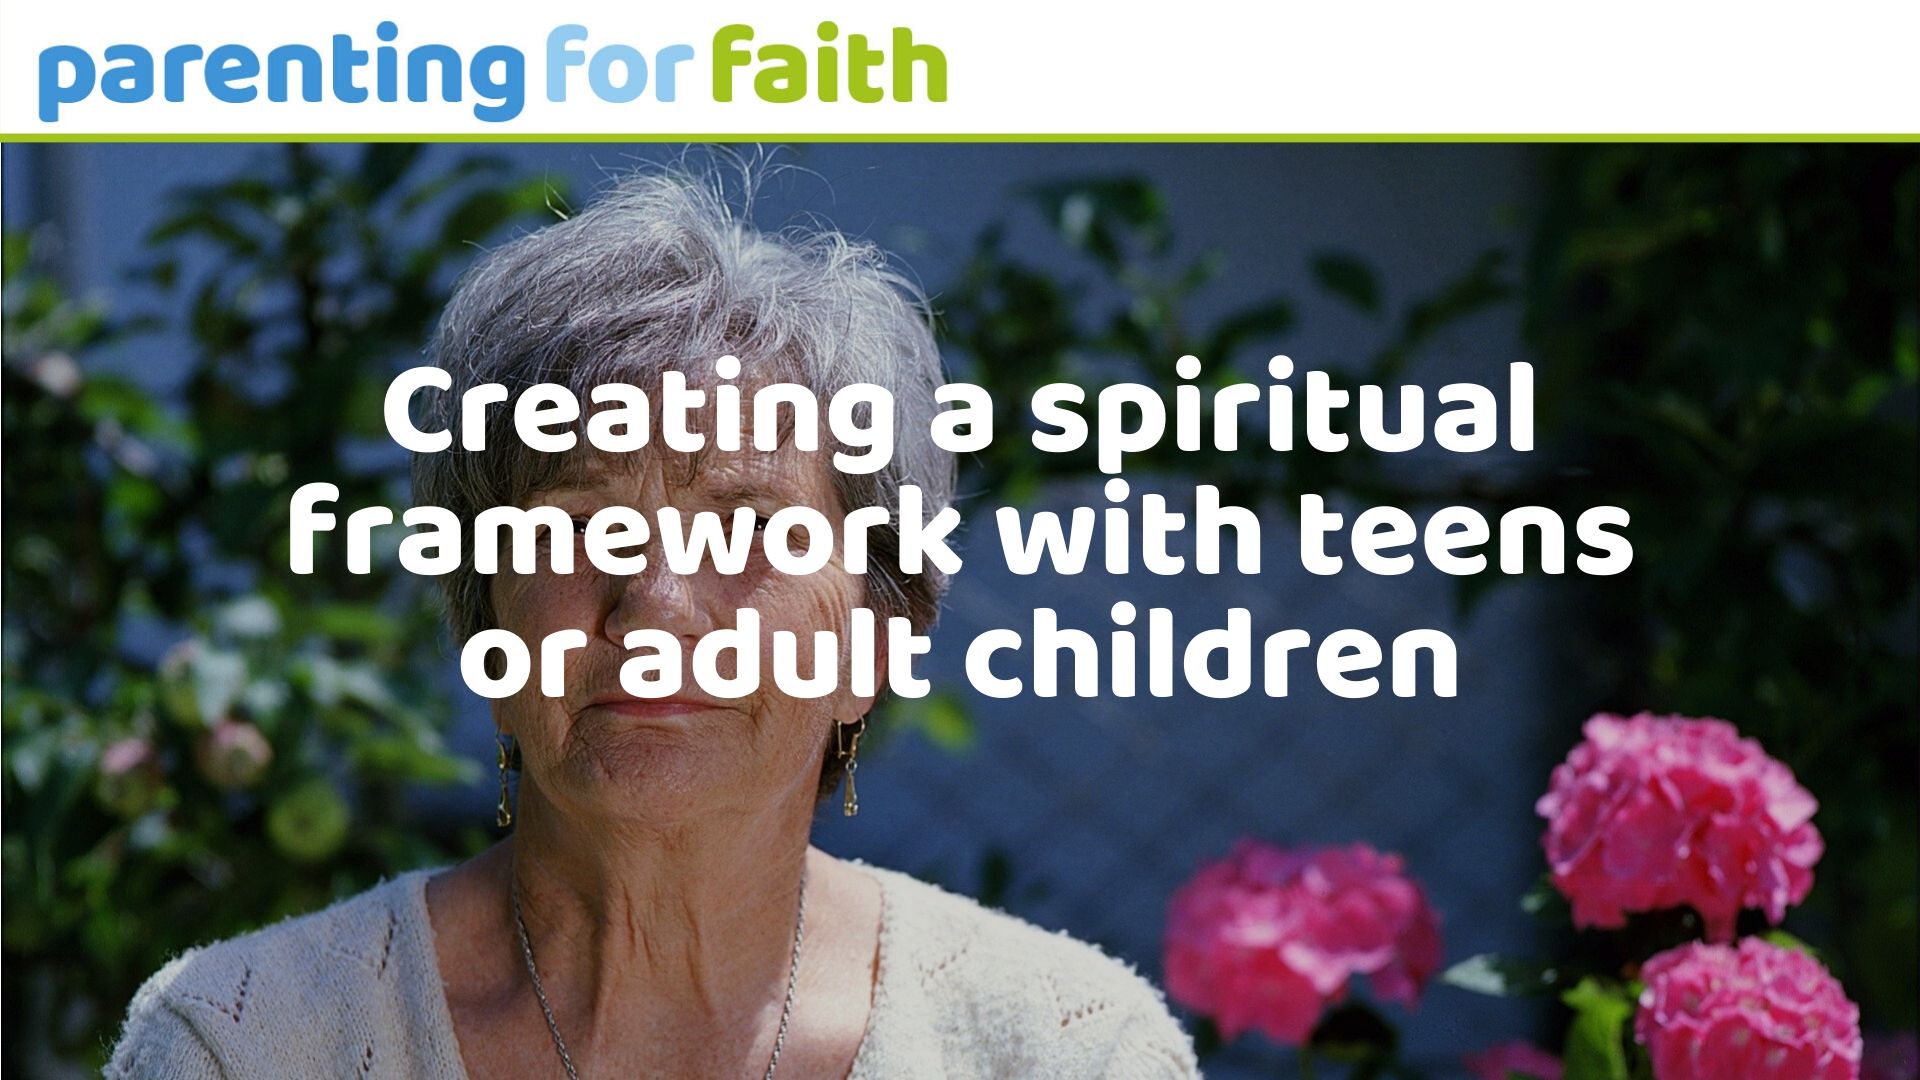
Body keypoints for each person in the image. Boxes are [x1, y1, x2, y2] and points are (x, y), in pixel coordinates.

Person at [105, 168, 1201, 1079]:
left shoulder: (1073, 1052)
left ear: (878, 636)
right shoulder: (240, 1046)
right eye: (581, 526)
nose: (658, 606)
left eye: (744, 530)